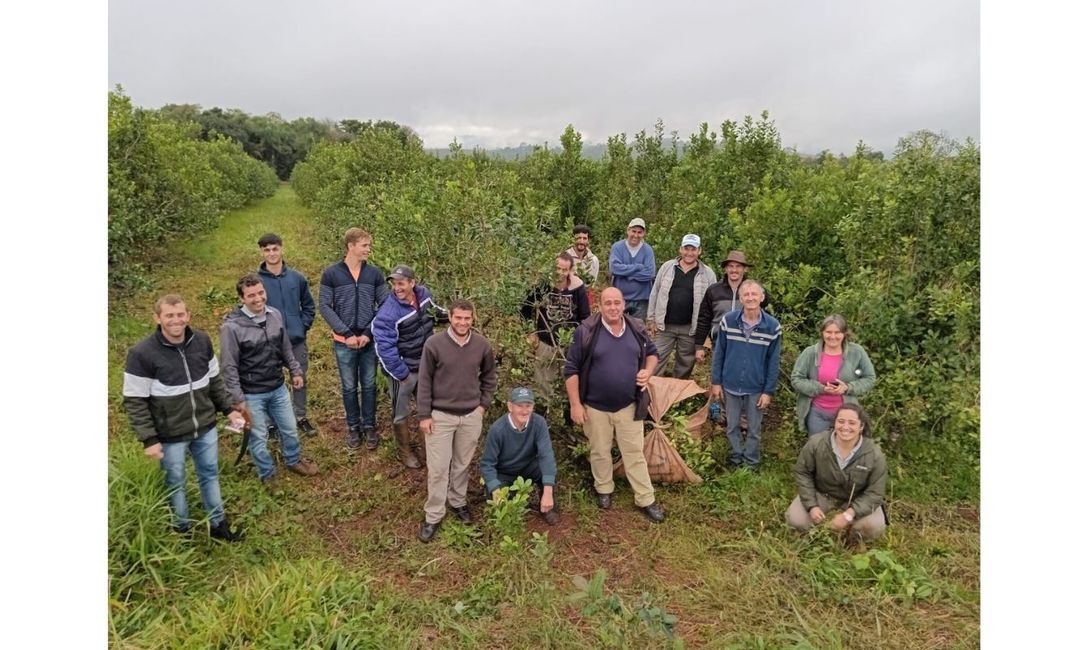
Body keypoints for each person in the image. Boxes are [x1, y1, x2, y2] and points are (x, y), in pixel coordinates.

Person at [122, 294, 245, 541]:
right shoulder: (141, 354)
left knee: (209, 473)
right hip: (170, 434)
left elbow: (214, 381)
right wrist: (149, 439)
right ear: (157, 318)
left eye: (180, 314)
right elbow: (134, 400)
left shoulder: (202, 341)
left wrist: (228, 409)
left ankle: (218, 524)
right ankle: (182, 530)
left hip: (206, 427)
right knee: (175, 481)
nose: (175, 320)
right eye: (169, 315)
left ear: (188, 315)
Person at [564, 287, 665, 523]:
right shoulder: (586, 331)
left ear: (624, 304)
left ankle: (645, 499)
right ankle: (604, 489)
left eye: (617, 303)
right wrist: (575, 405)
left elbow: (652, 353)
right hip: (595, 407)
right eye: (607, 303)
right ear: (599, 306)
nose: (613, 307)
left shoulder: (636, 328)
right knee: (599, 451)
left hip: (629, 405)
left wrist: (647, 372)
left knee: (634, 453)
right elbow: (571, 369)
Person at [220, 274, 319, 484]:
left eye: (261, 293)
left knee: (290, 428)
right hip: (251, 393)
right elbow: (228, 366)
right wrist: (237, 398)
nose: (258, 299)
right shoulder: (232, 327)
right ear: (241, 299)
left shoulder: (274, 315)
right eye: (251, 295)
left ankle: (293, 460)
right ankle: (267, 473)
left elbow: (285, 347)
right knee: (258, 436)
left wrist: (295, 371)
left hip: (277, 386)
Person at [416, 299, 498, 543]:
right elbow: (425, 380)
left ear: (473, 319)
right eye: (458, 318)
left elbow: (490, 376)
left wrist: (483, 406)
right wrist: (424, 415)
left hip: (471, 415)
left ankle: (458, 502)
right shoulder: (434, 344)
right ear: (450, 318)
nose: (463, 322)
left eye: (467, 318)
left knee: (462, 464)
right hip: (440, 415)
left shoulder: (481, 345)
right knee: (439, 468)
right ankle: (433, 514)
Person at [319, 227, 390, 451]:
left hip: (369, 341)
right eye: (364, 245)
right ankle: (353, 427)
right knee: (349, 386)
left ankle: (369, 426)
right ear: (350, 246)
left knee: (369, 385)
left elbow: (385, 304)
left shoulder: (374, 274)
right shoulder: (331, 274)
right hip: (344, 341)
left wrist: (369, 333)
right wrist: (347, 334)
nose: (368, 250)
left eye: (368, 245)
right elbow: (324, 306)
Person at [372, 265, 447, 469]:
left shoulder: (423, 295)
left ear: (412, 283)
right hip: (402, 370)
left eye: (401, 283)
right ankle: (404, 451)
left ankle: (429, 448)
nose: (397, 288)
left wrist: (455, 317)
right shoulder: (388, 313)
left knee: (427, 407)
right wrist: (402, 374)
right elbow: (384, 349)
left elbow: (435, 313)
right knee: (401, 411)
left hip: (424, 364)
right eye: (394, 284)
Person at [786, 404, 887, 542]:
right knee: (795, 520)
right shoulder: (817, 443)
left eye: (852, 423)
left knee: (872, 527)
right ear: (834, 423)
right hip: (822, 494)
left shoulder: (874, 454)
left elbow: (875, 493)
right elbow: (803, 473)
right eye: (841, 421)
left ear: (861, 426)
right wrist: (812, 506)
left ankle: (850, 543)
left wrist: (849, 514)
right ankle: (813, 540)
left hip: (857, 499)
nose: (845, 427)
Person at [709, 280, 782, 469]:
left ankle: (751, 463)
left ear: (762, 298)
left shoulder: (772, 327)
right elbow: (719, 352)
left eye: (754, 294)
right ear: (740, 298)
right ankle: (735, 459)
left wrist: (768, 391)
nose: (750, 298)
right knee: (732, 426)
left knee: (754, 429)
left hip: (756, 386)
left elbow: (773, 362)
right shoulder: (729, 321)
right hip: (730, 384)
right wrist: (716, 381)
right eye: (746, 294)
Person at [256, 233, 318, 435]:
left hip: (295, 339)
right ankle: (271, 423)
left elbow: (308, 306)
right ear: (261, 252)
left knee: (299, 378)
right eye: (267, 249)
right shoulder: (256, 281)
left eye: (275, 248)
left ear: (282, 249)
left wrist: (301, 326)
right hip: (268, 343)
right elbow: (248, 311)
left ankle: (300, 416)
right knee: (268, 383)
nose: (272, 253)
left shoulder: (297, 278)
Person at [479, 387, 560, 525]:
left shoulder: (539, 423)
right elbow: (487, 464)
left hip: (528, 467)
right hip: (504, 472)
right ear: (510, 406)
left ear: (533, 407)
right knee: (503, 514)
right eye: (519, 406)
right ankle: (506, 498)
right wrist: (495, 488)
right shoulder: (497, 429)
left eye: (528, 406)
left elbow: (546, 455)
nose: (524, 411)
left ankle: (547, 507)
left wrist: (548, 490)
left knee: (546, 470)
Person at [520, 252, 591, 402]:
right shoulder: (543, 285)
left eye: (564, 270)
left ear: (570, 270)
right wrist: (531, 332)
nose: (560, 273)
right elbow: (525, 308)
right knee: (542, 383)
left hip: (569, 343)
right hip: (546, 340)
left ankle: (568, 417)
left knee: (570, 381)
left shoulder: (577, 288)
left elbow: (585, 317)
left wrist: (581, 341)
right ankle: (544, 416)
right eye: (557, 269)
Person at [790, 314, 877, 435]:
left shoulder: (857, 352)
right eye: (828, 332)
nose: (832, 336)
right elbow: (796, 379)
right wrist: (821, 388)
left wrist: (848, 387)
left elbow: (870, 378)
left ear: (844, 333)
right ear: (822, 333)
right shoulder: (810, 353)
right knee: (819, 450)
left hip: (846, 416)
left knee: (844, 451)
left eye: (837, 332)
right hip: (817, 413)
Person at [646, 233, 717, 379]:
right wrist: (651, 318)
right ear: (680, 249)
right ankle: (651, 394)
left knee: (684, 365)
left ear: (699, 251)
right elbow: (655, 292)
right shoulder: (667, 267)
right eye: (686, 248)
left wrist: (705, 337)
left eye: (693, 249)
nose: (689, 253)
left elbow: (711, 305)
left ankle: (676, 398)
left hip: (690, 329)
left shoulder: (708, 274)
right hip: (663, 326)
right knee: (655, 360)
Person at [608, 218, 656, 320]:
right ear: (628, 231)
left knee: (637, 331)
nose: (636, 235)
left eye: (640, 232)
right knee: (617, 329)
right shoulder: (617, 247)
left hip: (641, 300)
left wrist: (626, 275)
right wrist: (638, 267)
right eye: (633, 231)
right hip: (619, 299)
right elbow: (614, 269)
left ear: (644, 233)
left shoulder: (648, 250)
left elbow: (650, 273)